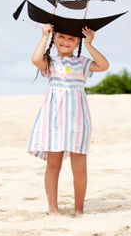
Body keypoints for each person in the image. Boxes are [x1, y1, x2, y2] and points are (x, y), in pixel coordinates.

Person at [26, 23, 109, 217]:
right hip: (54, 119)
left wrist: (89, 44)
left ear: (77, 41)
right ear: (55, 39)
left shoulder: (82, 63)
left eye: (71, 39)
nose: (66, 41)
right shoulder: (51, 62)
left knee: (79, 167)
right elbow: (36, 59)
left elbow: (104, 65)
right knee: (53, 165)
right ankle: (53, 209)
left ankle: (79, 209)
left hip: (78, 119)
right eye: (61, 37)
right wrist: (44, 36)